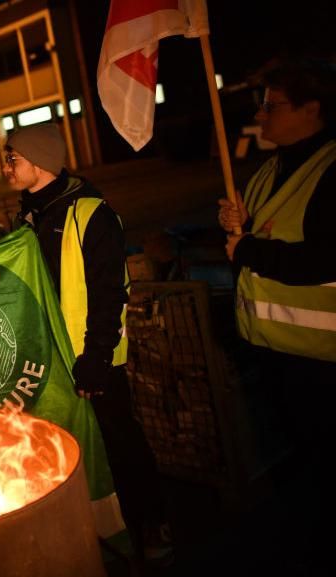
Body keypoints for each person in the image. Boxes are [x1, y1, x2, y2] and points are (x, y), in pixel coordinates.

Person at [6, 124, 171, 564]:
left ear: (38, 162)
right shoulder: (27, 216)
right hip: (50, 358)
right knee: (68, 447)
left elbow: (109, 290)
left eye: (13, 158)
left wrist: (96, 356)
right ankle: (96, 534)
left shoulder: (90, 212)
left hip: (91, 358)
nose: (7, 166)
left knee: (120, 441)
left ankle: (151, 523)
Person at [218, 59, 334, 559]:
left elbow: (323, 259)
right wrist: (235, 222)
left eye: (272, 105)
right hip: (273, 349)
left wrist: (246, 250)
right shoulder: (270, 168)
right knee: (301, 462)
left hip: (323, 359)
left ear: (313, 108)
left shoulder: (331, 170)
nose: (261, 115)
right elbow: (258, 230)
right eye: (259, 105)